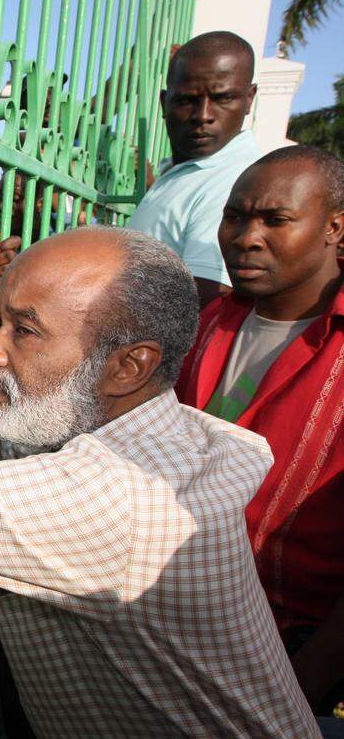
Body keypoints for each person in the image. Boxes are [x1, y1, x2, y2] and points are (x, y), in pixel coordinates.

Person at [0, 196, 319, 736]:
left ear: (128, 365)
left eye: (25, 330)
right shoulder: (154, 438)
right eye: (2, 324)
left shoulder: (115, 502)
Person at [176, 145, 344, 717]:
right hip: (183, 614)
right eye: (235, 216)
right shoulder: (211, 321)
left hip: (292, 644)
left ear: (333, 227)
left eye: (276, 220)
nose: (246, 237)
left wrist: (301, 686)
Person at [130, 31, 261, 308]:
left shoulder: (239, 180)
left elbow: (206, 300)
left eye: (223, 98)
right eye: (186, 100)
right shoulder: (185, 170)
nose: (203, 116)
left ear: (249, 99)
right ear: (164, 101)